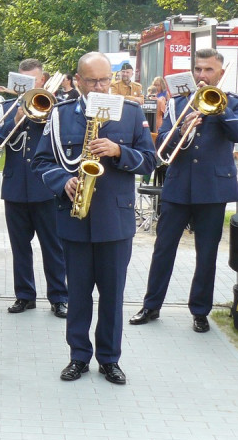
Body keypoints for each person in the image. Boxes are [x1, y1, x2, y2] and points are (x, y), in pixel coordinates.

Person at [33, 52, 156, 384]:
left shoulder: (130, 113)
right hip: (74, 218)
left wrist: (119, 152)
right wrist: (64, 182)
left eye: (106, 79)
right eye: (93, 80)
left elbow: (149, 161)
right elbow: (41, 163)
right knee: (78, 294)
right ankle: (78, 357)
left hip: (115, 220)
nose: (100, 86)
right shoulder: (59, 116)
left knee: (113, 295)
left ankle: (109, 359)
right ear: (77, 80)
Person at [130, 50, 238, 333]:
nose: (201, 75)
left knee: (206, 253)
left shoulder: (231, 102)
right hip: (179, 185)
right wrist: (184, 125)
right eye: (198, 69)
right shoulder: (177, 104)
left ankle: (200, 311)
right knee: (163, 249)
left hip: (214, 188)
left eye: (208, 70)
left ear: (220, 74)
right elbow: (166, 148)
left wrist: (218, 111)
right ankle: (151, 305)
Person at [0, 59, 68, 318]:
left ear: (42, 80)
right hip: (15, 187)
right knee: (19, 247)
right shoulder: (5, 107)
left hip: (46, 188)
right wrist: (16, 117)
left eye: (32, 81)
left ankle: (59, 297)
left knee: (53, 246)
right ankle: (24, 295)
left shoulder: (55, 107)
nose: (27, 87)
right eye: (22, 82)